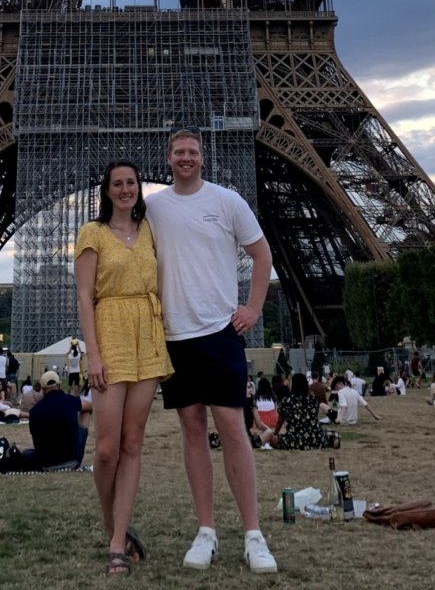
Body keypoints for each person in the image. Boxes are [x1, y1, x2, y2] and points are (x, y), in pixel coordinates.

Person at [146, 125, 277, 574]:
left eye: (193, 152)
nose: (186, 158)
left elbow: (263, 254)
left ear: (202, 157)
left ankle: (253, 533)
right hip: (175, 335)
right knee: (191, 429)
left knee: (233, 428)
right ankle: (206, 531)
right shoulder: (153, 207)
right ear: (169, 158)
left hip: (220, 331)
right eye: (179, 152)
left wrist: (253, 309)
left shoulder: (227, 201)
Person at [75, 160, 171, 576]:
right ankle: (111, 521)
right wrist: (93, 354)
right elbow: (84, 299)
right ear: (107, 190)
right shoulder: (92, 234)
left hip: (147, 336)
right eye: (118, 183)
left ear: (138, 188)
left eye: (132, 182)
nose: (126, 189)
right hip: (110, 335)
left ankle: (117, 543)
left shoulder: (152, 231)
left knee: (133, 443)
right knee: (107, 449)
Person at [26, 371, 92, 470]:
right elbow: (90, 406)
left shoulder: (34, 411)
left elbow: (36, 444)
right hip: (72, 461)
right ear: (58, 385)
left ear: (43, 389)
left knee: (27, 452)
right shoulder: (70, 401)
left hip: (47, 464)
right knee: (86, 411)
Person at [255, 373, 325, 450]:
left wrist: (275, 434)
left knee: (272, 439)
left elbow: (279, 423)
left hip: (294, 440)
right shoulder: (313, 399)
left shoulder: (287, 401)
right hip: (315, 439)